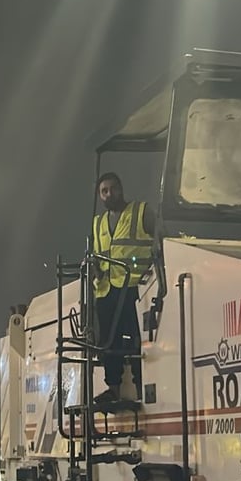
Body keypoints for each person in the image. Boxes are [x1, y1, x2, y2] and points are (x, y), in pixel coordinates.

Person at [92, 172, 155, 402]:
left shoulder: (140, 212)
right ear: (100, 196)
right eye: (104, 191)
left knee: (138, 340)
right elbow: (97, 254)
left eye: (113, 188)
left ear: (121, 189)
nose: (109, 194)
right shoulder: (98, 223)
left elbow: (161, 238)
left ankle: (141, 385)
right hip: (107, 289)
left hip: (135, 288)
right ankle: (113, 388)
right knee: (109, 341)